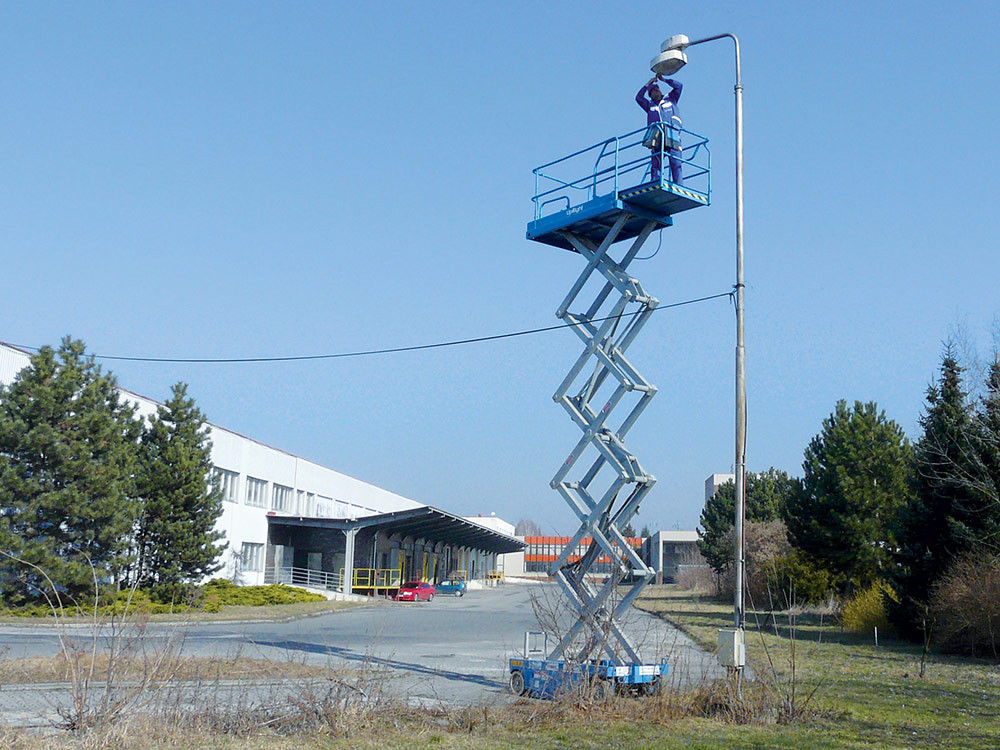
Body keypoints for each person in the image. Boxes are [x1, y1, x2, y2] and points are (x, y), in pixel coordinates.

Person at [635, 75, 683, 184]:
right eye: (653, 91)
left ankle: (678, 184)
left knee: (676, 161)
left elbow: (679, 86)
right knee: (656, 161)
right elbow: (638, 98)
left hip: (672, 132)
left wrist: (665, 80)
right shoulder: (649, 105)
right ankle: (655, 181)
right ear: (650, 95)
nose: (656, 91)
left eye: (657, 89)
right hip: (657, 135)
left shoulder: (671, 98)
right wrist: (647, 85)